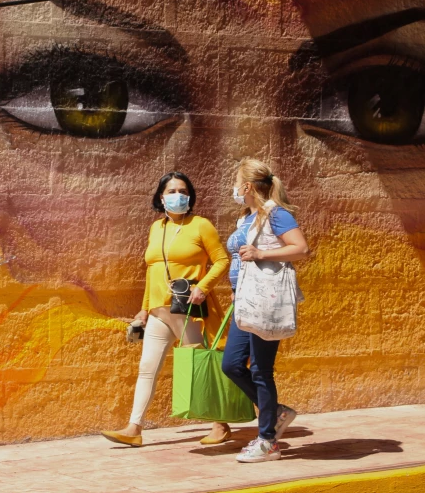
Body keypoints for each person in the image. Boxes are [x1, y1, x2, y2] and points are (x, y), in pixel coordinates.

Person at [101, 171, 231, 447]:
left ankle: (220, 424)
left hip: (188, 309)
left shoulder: (200, 225)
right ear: (161, 197)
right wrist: (144, 309)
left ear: (190, 196)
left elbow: (222, 260)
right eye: (171, 191)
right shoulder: (156, 228)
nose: (178, 196)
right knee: (147, 368)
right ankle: (134, 428)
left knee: (198, 366)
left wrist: (203, 287)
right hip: (159, 311)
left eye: (183, 191)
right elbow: (153, 270)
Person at [222, 158, 311, 463]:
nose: (234, 188)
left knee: (260, 369)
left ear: (247, 187)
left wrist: (261, 253)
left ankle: (267, 441)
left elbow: (301, 248)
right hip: (244, 301)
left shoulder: (276, 214)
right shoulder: (246, 217)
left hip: (266, 302)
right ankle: (277, 412)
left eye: (236, 182)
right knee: (231, 364)